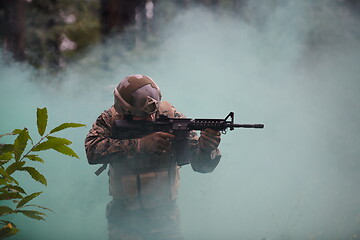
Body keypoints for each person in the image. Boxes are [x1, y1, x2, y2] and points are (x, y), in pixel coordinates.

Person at [85, 74, 221, 240]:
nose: (150, 117)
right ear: (125, 110)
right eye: (142, 115)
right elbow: (92, 151)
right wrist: (140, 145)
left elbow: (201, 166)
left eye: (153, 112)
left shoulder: (172, 117)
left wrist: (206, 149)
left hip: (166, 222)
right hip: (124, 222)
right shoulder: (110, 118)